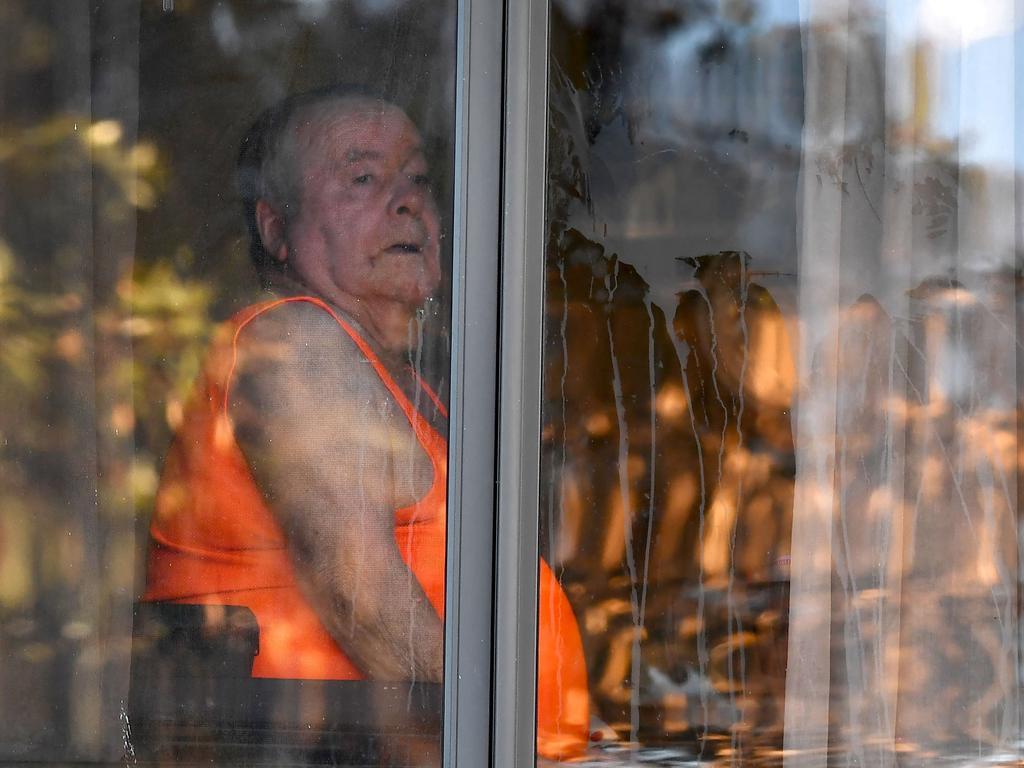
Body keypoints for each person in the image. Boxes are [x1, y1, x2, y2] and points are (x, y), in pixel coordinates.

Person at [140, 86, 589, 760]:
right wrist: (503, 740)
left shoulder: (392, 377)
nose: (408, 200)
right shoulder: (297, 340)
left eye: (418, 180)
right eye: (363, 177)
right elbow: (365, 597)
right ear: (276, 229)